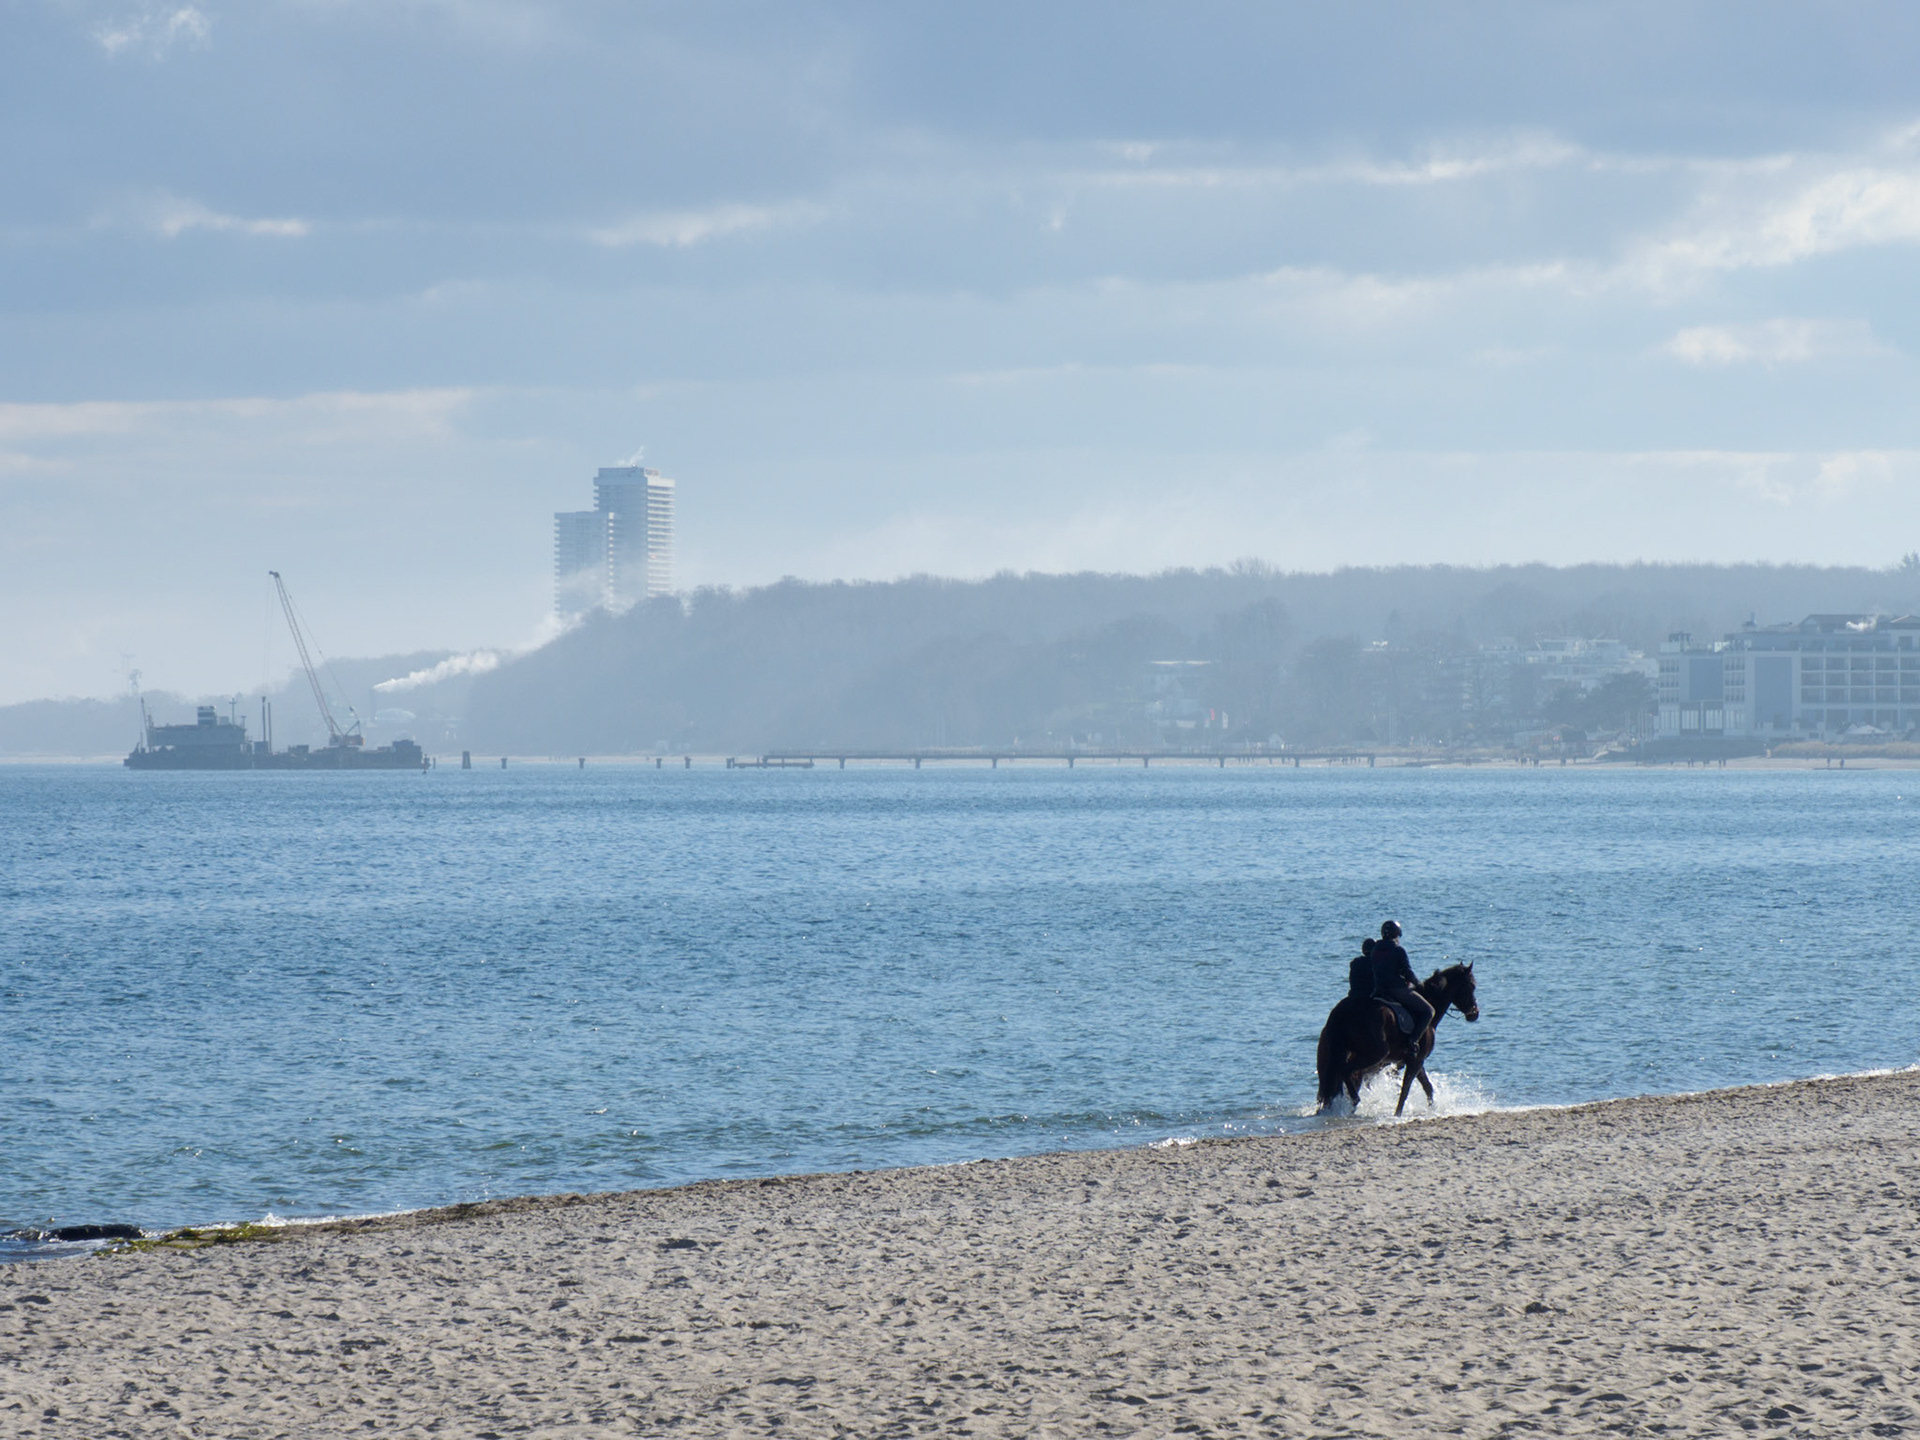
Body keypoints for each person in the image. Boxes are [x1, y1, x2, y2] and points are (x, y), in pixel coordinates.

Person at [1369, 919, 1433, 1054]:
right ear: (1396, 935)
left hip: (1378, 991)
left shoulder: (1375, 950)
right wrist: (1418, 984)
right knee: (1428, 1011)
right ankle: (1413, 1041)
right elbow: (1407, 972)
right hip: (1397, 990)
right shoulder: (1398, 950)